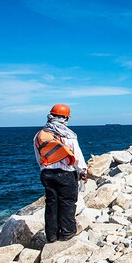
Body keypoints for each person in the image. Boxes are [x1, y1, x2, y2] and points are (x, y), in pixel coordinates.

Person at [33, 104, 88, 243]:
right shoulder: (68, 135)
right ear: (65, 118)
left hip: (47, 174)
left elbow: (39, 157)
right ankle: (67, 233)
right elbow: (77, 156)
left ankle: (51, 236)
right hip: (66, 174)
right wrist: (83, 171)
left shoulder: (40, 136)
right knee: (67, 202)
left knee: (51, 203)